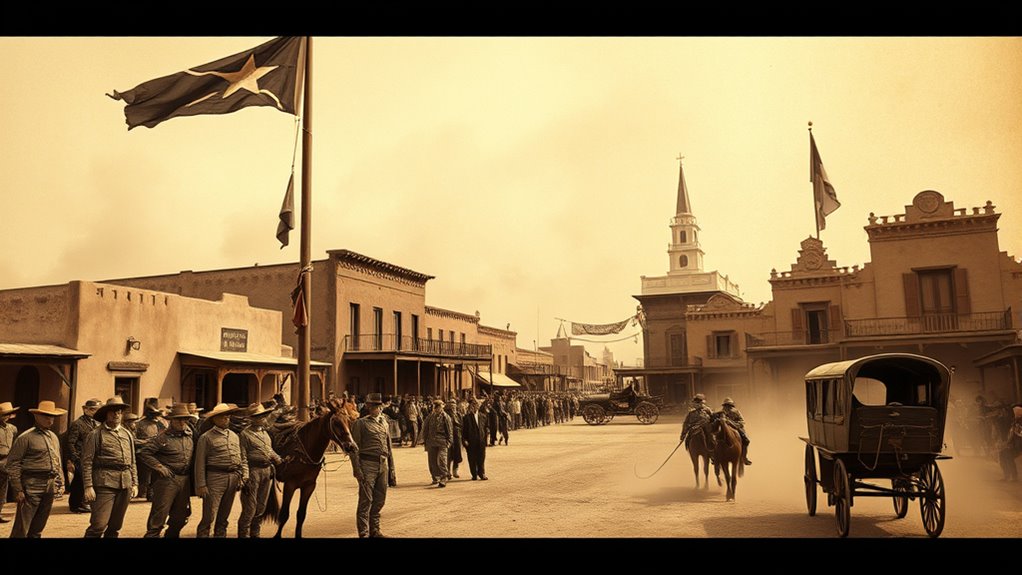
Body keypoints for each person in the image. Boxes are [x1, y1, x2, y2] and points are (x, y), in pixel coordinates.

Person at [5, 400, 65, 538]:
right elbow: (13, 464)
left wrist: (60, 482)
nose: (50, 419)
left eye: (52, 416)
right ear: (37, 417)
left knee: (38, 527)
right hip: (31, 485)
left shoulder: (54, 437)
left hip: (49, 486)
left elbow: (57, 461)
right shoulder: (26, 438)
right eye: (46, 416)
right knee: (22, 528)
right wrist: (18, 489)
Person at [81, 396, 138, 538]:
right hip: (104, 484)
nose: (116, 414)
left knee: (115, 526)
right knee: (98, 525)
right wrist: (88, 486)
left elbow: (132, 461)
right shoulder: (95, 434)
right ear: (106, 414)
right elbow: (87, 462)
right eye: (112, 411)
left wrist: (135, 483)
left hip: (125, 484)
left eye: (119, 411)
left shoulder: (127, 434)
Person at [138, 403, 194, 537]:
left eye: (184, 419)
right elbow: (144, 453)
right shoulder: (162, 437)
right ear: (171, 420)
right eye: (178, 419)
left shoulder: (190, 436)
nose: (182, 422)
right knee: (159, 516)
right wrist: (159, 467)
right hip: (167, 481)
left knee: (180, 517)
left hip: (184, 480)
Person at [194, 403, 248, 538]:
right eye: (223, 417)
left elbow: (240, 457)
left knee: (224, 516)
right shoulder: (206, 437)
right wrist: (201, 485)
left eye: (228, 417)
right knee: (209, 516)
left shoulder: (234, 436)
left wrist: (241, 476)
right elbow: (199, 463)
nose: (226, 420)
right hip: (215, 478)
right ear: (215, 419)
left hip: (233, 478)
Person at [349, 393, 395, 538]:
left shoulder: (384, 422)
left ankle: (374, 531)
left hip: (382, 464)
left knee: (380, 498)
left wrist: (391, 469)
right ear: (368, 407)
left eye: (378, 405)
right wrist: (357, 469)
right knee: (366, 500)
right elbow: (354, 449)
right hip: (367, 464)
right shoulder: (360, 423)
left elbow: (389, 447)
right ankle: (364, 533)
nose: (377, 408)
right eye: (373, 405)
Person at [238, 403, 283, 538]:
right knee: (250, 508)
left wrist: (280, 459)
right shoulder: (245, 434)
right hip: (253, 472)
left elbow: (268, 450)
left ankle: (255, 533)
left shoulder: (264, 433)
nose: (264, 418)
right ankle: (243, 534)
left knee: (261, 507)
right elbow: (243, 456)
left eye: (264, 416)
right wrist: (245, 476)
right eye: (260, 416)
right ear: (253, 418)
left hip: (266, 471)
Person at [64, 397, 101, 514]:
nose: (95, 412)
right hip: (80, 457)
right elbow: (71, 442)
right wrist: (75, 458)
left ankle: (83, 502)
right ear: (85, 409)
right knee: (79, 481)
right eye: (92, 409)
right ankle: (76, 504)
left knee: (86, 480)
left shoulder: (98, 424)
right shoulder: (78, 424)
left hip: (92, 457)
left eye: (97, 409)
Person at [135, 401, 166, 501]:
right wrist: (145, 441)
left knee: (156, 473)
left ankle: (152, 491)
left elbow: (165, 436)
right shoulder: (139, 424)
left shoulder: (160, 424)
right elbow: (132, 439)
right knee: (145, 475)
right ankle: (144, 491)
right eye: (153, 414)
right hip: (143, 451)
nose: (155, 417)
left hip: (156, 451)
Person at [422, 399, 452, 488]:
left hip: (442, 441)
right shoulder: (430, 416)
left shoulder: (446, 417)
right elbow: (425, 428)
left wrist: (449, 441)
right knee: (432, 461)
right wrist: (425, 440)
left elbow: (449, 430)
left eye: (438, 407)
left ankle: (444, 477)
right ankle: (435, 477)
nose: (437, 409)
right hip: (431, 441)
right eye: (435, 407)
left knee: (441, 460)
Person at [0, 401, 20, 523]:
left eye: (8, 414)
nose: (6, 417)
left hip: (7, 461)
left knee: (3, 490)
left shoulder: (12, 429)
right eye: (3, 414)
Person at [720, 398, 753, 466]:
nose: (727, 407)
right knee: (715, 439)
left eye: (729, 405)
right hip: (724, 429)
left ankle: (744, 457)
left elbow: (742, 421)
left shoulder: (736, 412)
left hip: (735, 428)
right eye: (726, 405)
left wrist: (734, 424)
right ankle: (715, 457)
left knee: (746, 440)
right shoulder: (721, 413)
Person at [462, 398, 488, 480]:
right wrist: (464, 440)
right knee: (472, 458)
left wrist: (485, 439)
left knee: (481, 457)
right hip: (471, 441)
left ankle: (482, 473)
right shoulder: (466, 418)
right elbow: (463, 430)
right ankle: (474, 474)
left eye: (476, 405)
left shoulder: (483, 416)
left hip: (481, 440)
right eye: (472, 405)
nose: (474, 407)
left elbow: (486, 428)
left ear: (478, 406)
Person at [445, 399, 463, 480]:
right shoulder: (446, 415)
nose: (453, 406)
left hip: (457, 436)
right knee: (449, 455)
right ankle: (447, 472)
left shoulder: (458, 414)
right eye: (451, 404)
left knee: (457, 454)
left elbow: (462, 425)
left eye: (454, 404)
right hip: (449, 436)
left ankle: (455, 471)